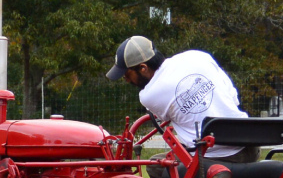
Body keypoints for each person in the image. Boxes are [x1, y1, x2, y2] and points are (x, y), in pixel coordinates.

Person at [106, 36, 259, 169]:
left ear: (143, 68)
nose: (126, 80)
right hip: (250, 147)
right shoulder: (197, 56)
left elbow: (166, 118)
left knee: (155, 165)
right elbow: (233, 96)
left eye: (126, 74)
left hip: (215, 158)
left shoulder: (148, 95)